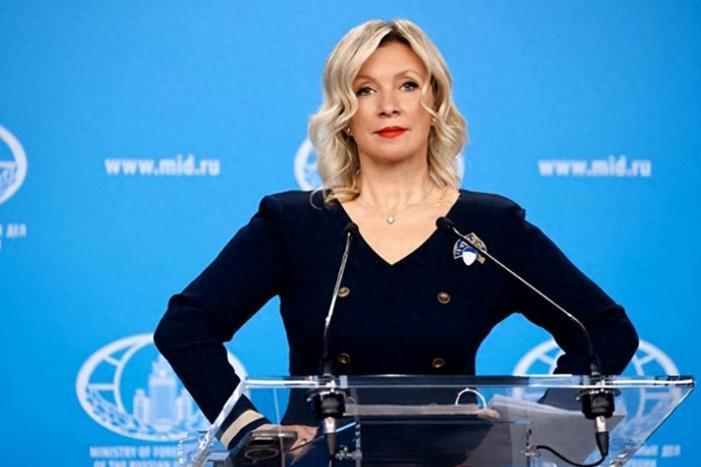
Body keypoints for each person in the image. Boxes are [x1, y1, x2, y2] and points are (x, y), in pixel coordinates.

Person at [154, 19, 638, 453]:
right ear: (344, 113)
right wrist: (250, 431)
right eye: (365, 90)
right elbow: (185, 327)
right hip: (321, 459)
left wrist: (540, 428)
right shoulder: (294, 222)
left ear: (436, 103)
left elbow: (605, 330)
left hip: (456, 461)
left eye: (407, 85)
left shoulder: (489, 227)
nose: (388, 106)